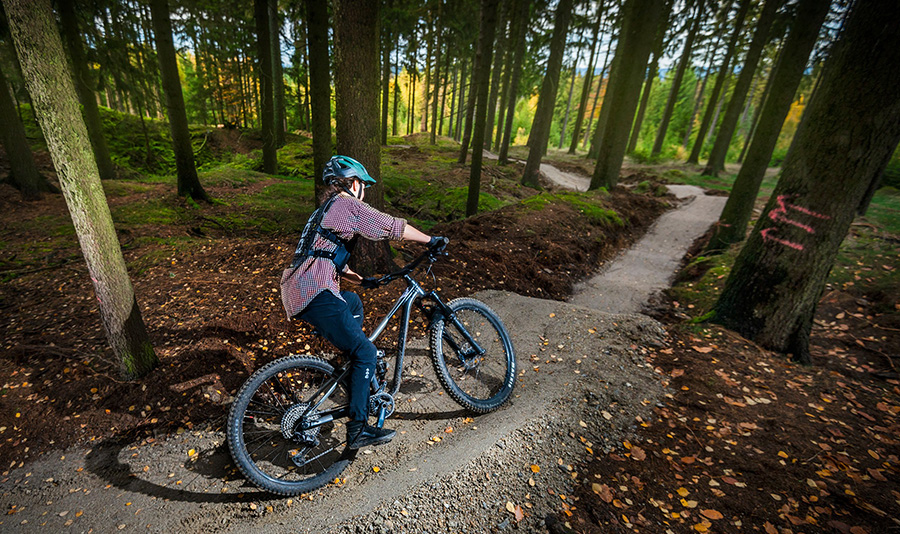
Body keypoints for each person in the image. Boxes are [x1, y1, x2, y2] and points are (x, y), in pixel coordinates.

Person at [280, 155, 445, 449]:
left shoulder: (323, 211)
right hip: (315, 291)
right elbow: (388, 225)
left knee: (353, 302)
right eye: (363, 185)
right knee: (366, 352)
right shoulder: (346, 204)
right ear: (352, 183)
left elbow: (325, 254)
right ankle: (358, 429)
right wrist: (429, 240)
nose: (364, 192)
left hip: (300, 290)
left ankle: (351, 360)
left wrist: (360, 279)